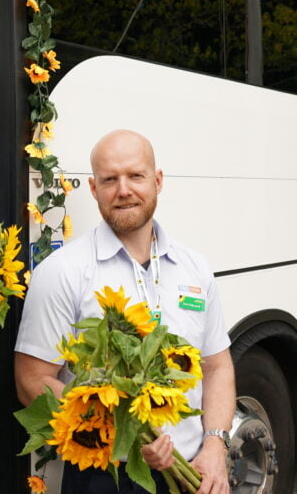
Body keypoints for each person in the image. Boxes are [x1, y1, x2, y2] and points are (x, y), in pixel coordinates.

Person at [15, 130, 236, 494]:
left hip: (193, 473)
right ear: (93, 188)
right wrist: (126, 435)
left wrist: (215, 446)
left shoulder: (194, 267)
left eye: (135, 176)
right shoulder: (62, 271)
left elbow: (217, 366)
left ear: (158, 180)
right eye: (109, 179)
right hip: (106, 476)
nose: (123, 190)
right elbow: (30, 381)